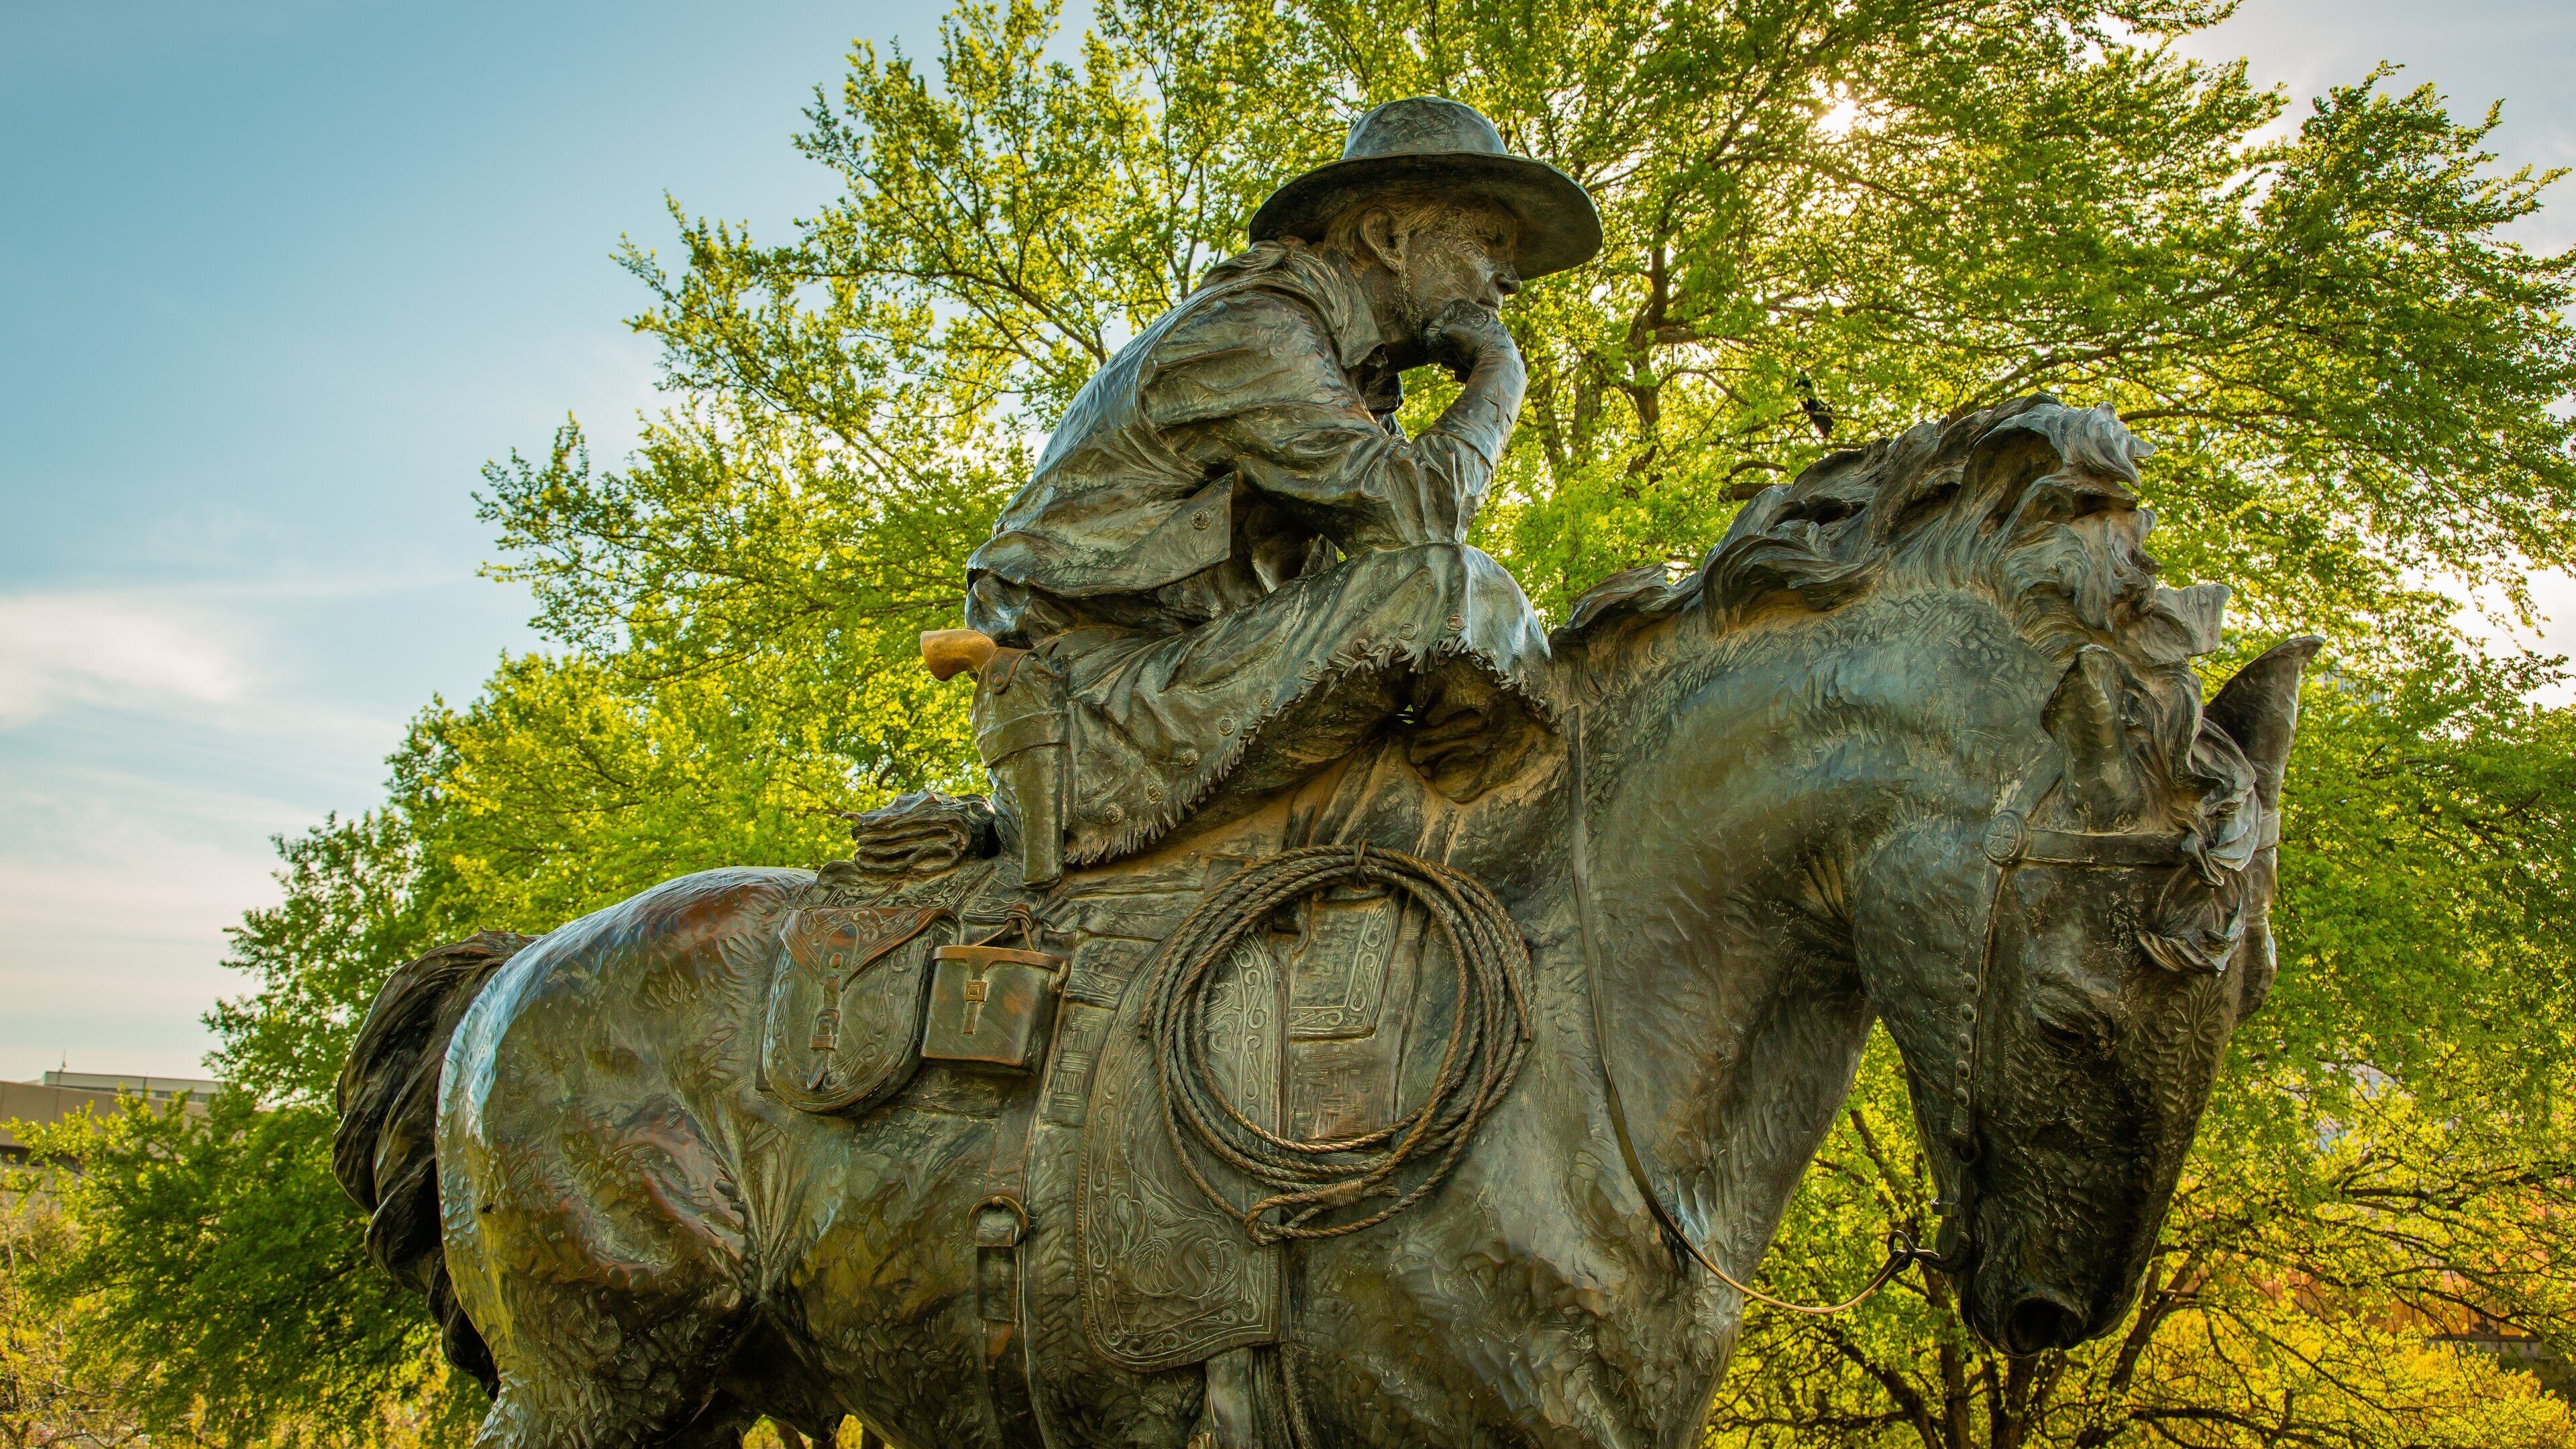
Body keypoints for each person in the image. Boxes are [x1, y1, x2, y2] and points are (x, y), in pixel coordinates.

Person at [957, 97, 1601, 885]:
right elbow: (1419, 523)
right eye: (1489, 239)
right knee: (1455, 588)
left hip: (1183, 682)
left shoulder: (1348, 384)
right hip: (1096, 714)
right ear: (1388, 236)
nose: (1508, 278)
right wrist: (1501, 373)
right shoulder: (1253, 330)